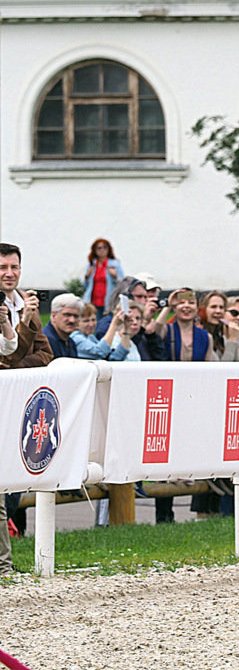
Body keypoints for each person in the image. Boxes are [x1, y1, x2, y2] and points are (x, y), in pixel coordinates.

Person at [1, 242, 53, 573]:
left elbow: (42, 354)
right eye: (3, 267)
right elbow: (11, 353)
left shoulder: (23, 305)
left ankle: (4, 563)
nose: (9, 273)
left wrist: (16, 362)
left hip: (14, 402)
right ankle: (4, 564)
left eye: (14, 267)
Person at [155, 288, 215, 361]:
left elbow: (208, 366)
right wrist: (169, 304)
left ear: (197, 309)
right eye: (181, 303)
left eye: (191, 303)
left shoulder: (206, 337)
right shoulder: (166, 330)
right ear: (174, 308)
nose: (186, 306)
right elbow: (155, 332)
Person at [82, 238, 124, 311]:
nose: (102, 250)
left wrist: (115, 276)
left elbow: (122, 284)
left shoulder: (114, 264)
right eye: (99, 248)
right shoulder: (92, 265)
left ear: (109, 249)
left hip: (109, 301)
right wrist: (87, 277)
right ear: (94, 250)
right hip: (92, 301)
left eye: (105, 247)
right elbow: (85, 286)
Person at [42, 293, 83, 358]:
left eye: (76, 316)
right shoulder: (45, 342)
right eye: (67, 315)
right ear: (54, 315)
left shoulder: (71, 343)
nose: (72, 320)